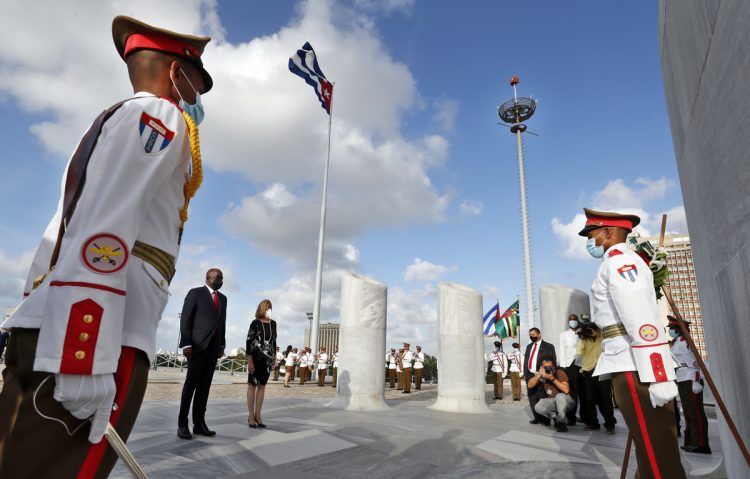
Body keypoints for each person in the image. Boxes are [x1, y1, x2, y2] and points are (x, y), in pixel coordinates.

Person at [0, 15, 213, 478]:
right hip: (102, 335)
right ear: (177, 73)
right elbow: (103, 230)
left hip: (59, 324)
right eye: (197, 83)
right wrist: (83, 354)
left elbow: (67, 235)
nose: (199, 99)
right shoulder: (157, 115)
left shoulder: (117, 120)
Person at [579, 207, 685, 478]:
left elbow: (642, 318)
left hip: (635, 365)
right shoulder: (616, 261)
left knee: (657, 452)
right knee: (649, 446)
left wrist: (658, 375)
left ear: (607, 232)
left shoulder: (619, 262)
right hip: (627, 360)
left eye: (591, 234)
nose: (590, 241)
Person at [178, 268, 227, 440]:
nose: (219, 280)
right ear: (208, 278)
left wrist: (221, 345)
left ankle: (199, 424)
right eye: (217, 278)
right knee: (190, 386)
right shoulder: (195, 293)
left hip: (213, 349)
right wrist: (186, 343)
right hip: (196, 347)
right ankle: (182, 424)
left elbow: (222, 323)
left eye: (221, 278)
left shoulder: (223, 299)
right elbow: (186, 319)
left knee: (204, 388)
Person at [669, 317, 711, 454]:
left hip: (689, 379)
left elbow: (694, 364)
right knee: (688, 413)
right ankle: (692, 442)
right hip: (682, 379)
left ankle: (701, 444)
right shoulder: (677, 343)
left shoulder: (684, 343)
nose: (670, 330)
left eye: (672, 328)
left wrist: (696, 381)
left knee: (696, 414)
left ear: (678, 330)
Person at [577, 322, 616, 433]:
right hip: (588, 372)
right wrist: (582, 338)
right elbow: (579, 352)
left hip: (602, 371)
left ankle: (610, 424)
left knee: (606, 399)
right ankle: (593, 423)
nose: (590, 333)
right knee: (590, 399)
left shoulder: (603, 338)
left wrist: (598, 334)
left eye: (591, 330)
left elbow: (610, 346)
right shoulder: (585, 340)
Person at [246, 299, 277, 429]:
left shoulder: (274, 323)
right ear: (262, 308)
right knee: (252, 385)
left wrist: (274, 358)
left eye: (271, 307)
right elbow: (249, 341)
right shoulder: (255, 323)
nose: (269, 309)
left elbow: (274, 342)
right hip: (255, 358)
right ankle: (251, 415)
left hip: (267, 360)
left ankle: (258, 415)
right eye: (267, 307)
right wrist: (250, 361)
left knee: (262, 386)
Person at [528, 356, 574, 432]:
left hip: (567, 401)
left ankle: (562, 423)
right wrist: (539, 375)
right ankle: (557, 418)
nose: (547, 369)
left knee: (560, 396)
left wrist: (552, 379)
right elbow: (530, 385)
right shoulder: (542, 375)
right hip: (554, 401)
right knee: (538, 406)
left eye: (549, 366)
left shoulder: (559, 372)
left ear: (554, 366)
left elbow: (566, 390)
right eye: (545, 366)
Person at [523, 328, 556, 425]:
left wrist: (547, 373)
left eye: (533, 334)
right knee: (532, 397)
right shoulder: (529, 347)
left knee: (543, 396)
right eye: (530, 335)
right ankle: (537, 417)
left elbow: (552, 360)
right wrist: (525, 374)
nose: (531, 336)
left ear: (539, 334)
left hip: (542, 374)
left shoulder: (548, 346)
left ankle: (546, 419)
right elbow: (526, 361)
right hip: (530, 375)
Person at [559, 314, 581, 425]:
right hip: (570, 365)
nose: (573, 322)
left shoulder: (582, 333)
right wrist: (563, 367)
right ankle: (571, 417)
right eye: (571, 320)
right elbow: (562, 350)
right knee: (572, 392)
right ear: (568, 322)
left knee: (585, 392)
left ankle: (585, 416)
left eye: (575, 320)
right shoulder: (564, 335)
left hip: (583, 364)